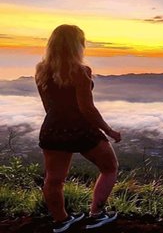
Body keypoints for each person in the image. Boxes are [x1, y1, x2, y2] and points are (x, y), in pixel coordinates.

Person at [35, 24, 121, 233]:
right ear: (77, 45)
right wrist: (109, 131)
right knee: (109, 167)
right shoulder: (81, 71)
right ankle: (96, 215)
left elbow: (48, 105)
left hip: (53, 129)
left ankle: (61, 221)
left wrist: (57, 121)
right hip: (80, 129)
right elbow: (87, 109)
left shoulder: (41, 69)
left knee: (54, 180)